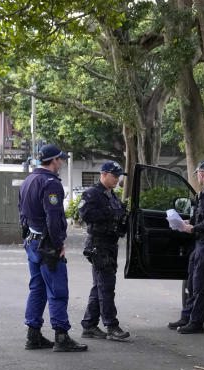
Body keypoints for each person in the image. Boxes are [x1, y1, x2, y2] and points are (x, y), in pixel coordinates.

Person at [18, 144, 87, 352]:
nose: (62, 163)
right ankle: (61, 336)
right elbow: (54, 217)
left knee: (37, 288)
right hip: (46, 245)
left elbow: (22, 213)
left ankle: (33, 334)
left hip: (32, 241)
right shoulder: (51, 183)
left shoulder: (28, 181)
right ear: (54, 160)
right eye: (61, 160)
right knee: (57, 290)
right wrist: (58, 245)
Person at [167, 160, 204, 334]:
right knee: (192, 283)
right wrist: (189, 222)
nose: (198, 178)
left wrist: (193, 228)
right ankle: (186, 317)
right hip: (201, 243)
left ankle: (196, 322)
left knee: (200, 285)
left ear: (201, 174)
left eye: (198, 175)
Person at [79, 161, 130, 341]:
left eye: (118, 176)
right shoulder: (93, 193)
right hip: (98, 244)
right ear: (104, 174)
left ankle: (89, 325)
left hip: (110, 244)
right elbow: (84, 214)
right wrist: (110, 215)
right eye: (114, 175)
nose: (117, 179)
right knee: (106, 286)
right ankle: (111, 326)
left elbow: (118, 218)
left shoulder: (112, 196)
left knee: (99, 286)